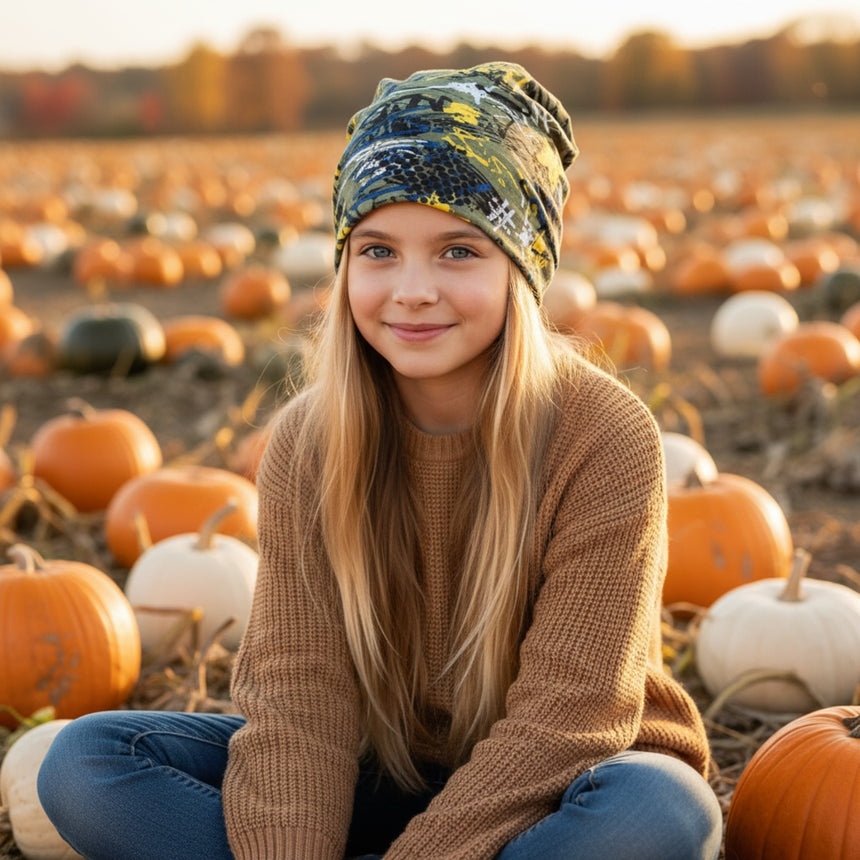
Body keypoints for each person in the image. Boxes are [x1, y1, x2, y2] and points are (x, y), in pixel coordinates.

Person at [38, 61, 722, 859]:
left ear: (523, 268)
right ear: (345, 265)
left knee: (662, 811)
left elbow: (570, 713)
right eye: (379, 251)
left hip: (562, 783)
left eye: (459, 251)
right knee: (88, 763)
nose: (412, 290)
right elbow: (301, 698)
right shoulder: (310, 441)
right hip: (376, 769)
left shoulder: (604, 436)